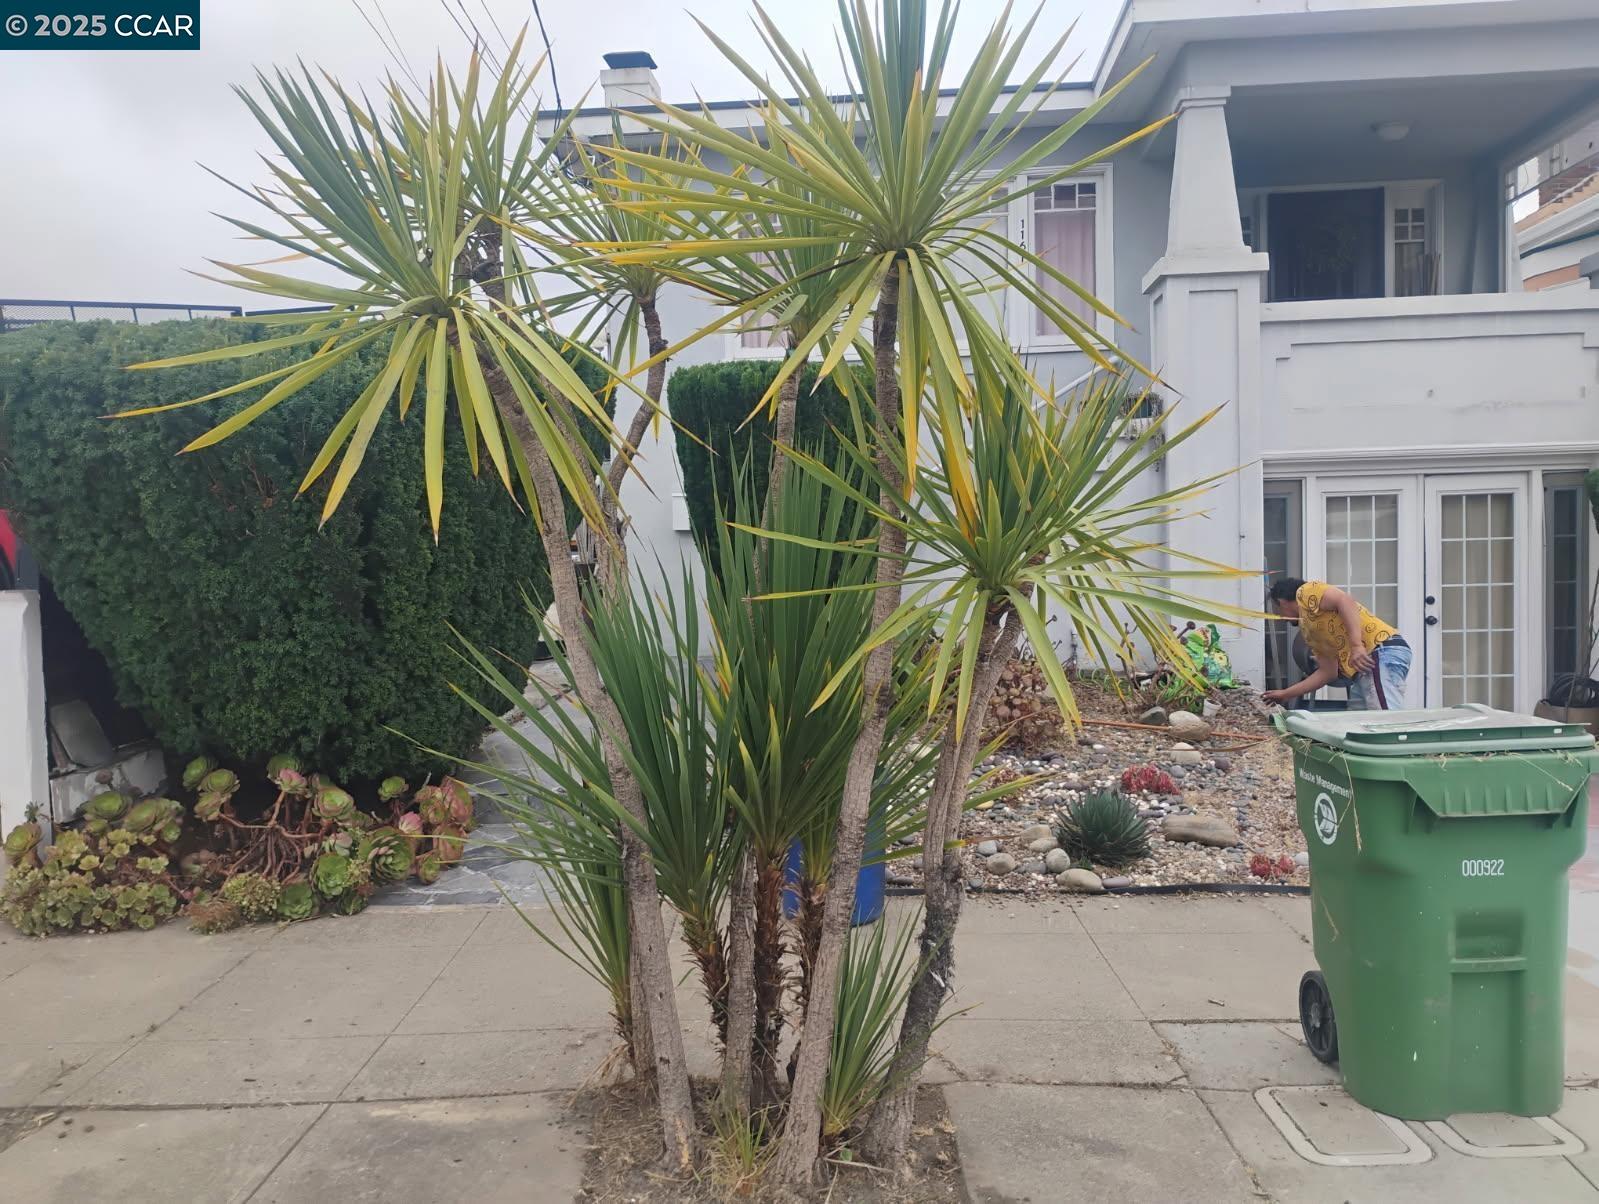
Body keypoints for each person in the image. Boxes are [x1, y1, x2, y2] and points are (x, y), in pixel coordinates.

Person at [1262, 577, 1412, 711]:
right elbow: (1327, 672)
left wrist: (1356, 645)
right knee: (1358, 724)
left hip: (1380, 650)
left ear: (1281, 601)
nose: (1280, 617)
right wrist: (1286, 694)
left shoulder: (1306, 591)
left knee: (1385, 719)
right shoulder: (1309, 632)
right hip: (1364, 669)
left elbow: (1344, 601)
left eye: (1278, 610)